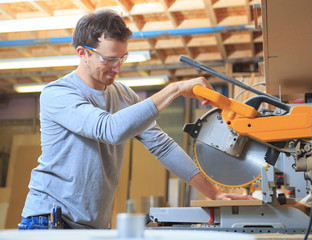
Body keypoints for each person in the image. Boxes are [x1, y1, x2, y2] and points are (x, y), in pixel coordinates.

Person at [19, 9, 255, 229]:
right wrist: (174, 89)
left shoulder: (123, 95)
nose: (117, 68)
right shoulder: (58, 93)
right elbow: (109, 130)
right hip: (49, 220)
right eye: (109, 59)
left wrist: (214, 193)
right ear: (83, 53)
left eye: (122, 58)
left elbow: (162, 146)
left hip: (94, 224)